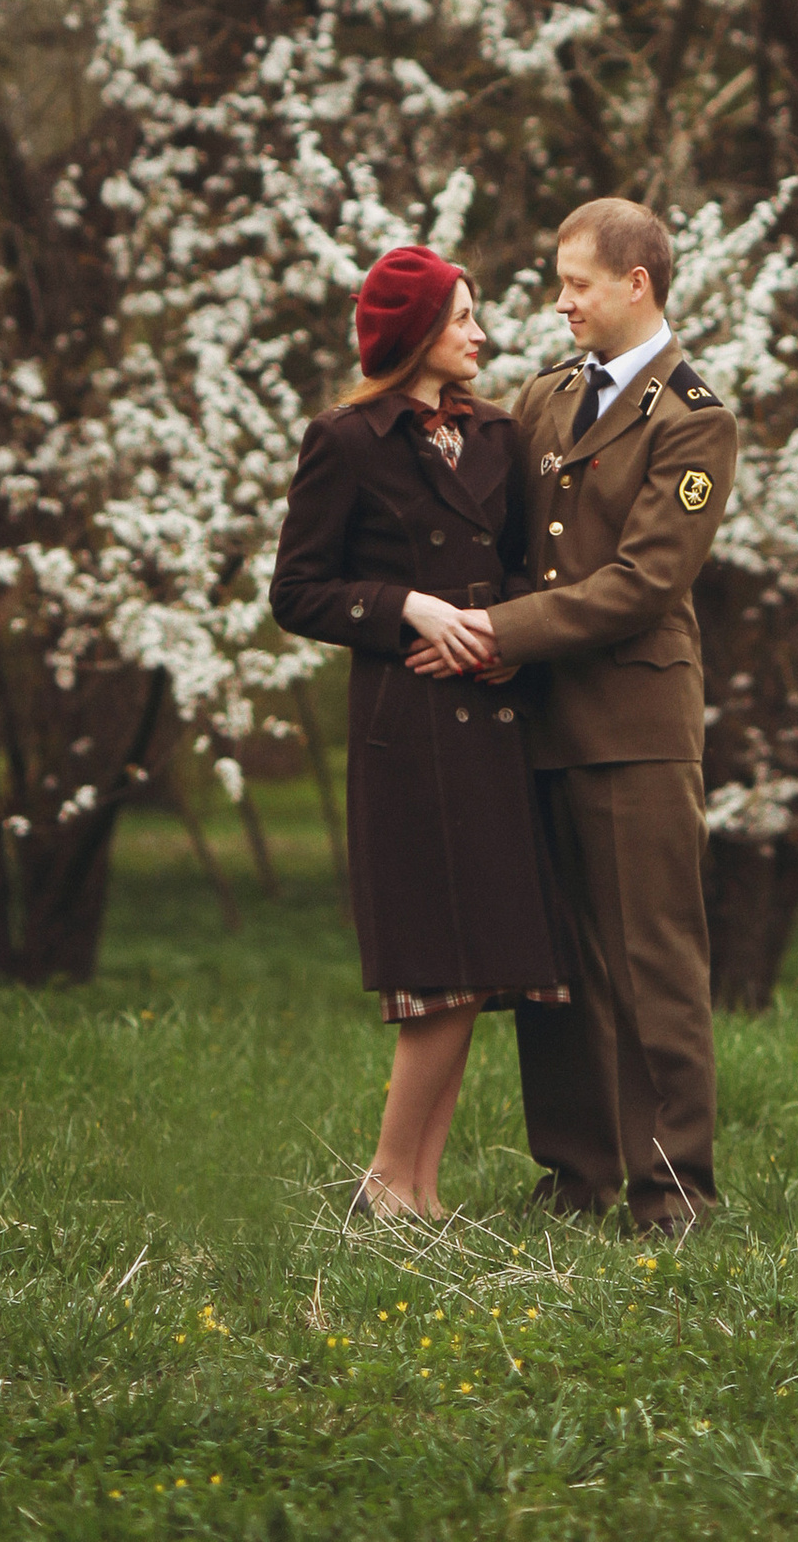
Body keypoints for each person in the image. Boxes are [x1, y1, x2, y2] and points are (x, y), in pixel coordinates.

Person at [408, 193, 738, 1237]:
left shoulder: (694, 420)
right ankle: (577, 1177)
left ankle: (672, 1190)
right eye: (560, 286)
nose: (561, 306)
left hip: (631, 730)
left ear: (635, 284)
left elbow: (642, 584)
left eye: (578, 287)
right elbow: (500, 537)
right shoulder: (545, 399)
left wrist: (498, 634)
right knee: (550, 969)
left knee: (650, 964)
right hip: (535, 721)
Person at [268, 240, 573, 1220]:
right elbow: (298, 591)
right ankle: (386, 1185)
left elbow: (534, 570)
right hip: (409, 732)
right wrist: (405, 605)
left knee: (479, 964)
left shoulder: (499, 434)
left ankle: (418, 1192)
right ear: (414, 335)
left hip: (494, 721)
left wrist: (507, 642)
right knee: (438, 971)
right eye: (460, 318)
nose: (480, 334)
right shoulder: (345, 439)